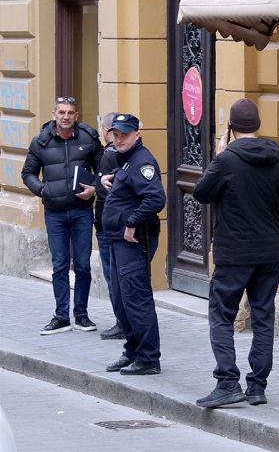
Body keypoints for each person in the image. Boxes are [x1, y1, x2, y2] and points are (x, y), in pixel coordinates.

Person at [193, 98, 279, 408]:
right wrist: (268, 226)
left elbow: (201, 193)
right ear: (257, 125)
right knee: (263, 317)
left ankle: (227, 382)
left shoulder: (227, 160)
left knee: (222, 315)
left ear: (232, 129)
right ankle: (257, 387)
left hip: (233, 253)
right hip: (268, 252)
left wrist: (218, 156)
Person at [21, 96, 103, 335]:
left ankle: (82, 315)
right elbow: (27, 173)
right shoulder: (41, 142)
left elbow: (104, 169)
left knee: (83, 265)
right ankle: (61, 316)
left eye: (70, 112)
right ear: (54, 114)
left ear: (76, 115)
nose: (66, 116)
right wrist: (42, 190)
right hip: (55, 213)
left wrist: (95, 189)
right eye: (61, 112)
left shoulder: (88, 138)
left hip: (81, 211)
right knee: (59, 266)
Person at [101, 114, 166, 376]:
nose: (119, 139)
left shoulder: (142, 161)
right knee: (122, 298)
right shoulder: (126, 160)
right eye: (115, 135)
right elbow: (131, 185)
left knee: (136, 299)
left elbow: (155, 199)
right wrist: (112, 178)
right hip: (118, 240)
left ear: (137, 134)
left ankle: (149, 358)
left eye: (124, 135)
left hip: (133, 241)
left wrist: (131, 221)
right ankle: (133, 350)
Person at [94, 112, 123, 340]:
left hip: (109, 224)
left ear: (106, 131)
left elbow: (108, 195)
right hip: (118, 224)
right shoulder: (126, 154)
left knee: (113, 275)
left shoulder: (109, 155)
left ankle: (122, 322)